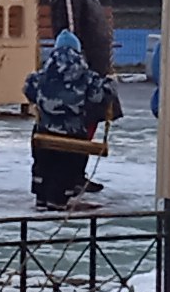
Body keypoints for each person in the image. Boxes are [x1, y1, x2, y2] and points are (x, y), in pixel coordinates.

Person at [26, 20, 121, 207]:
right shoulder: (85, 76)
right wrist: (111, 83)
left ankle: (41, 194)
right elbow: (99, 96)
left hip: (44, 131)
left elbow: (29, 90)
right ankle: (61, 196)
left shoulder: (43, 75)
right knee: (68, 163)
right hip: (72, 134)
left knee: (43, 160)